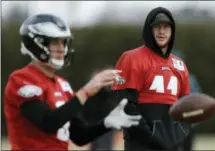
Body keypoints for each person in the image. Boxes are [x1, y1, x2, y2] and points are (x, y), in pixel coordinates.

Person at [4, 14, 142, 150]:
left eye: (63, 42)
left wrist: (106, 124)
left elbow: (79, 136)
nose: (61, 48)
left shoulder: (62, 84)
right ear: (37, 42)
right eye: (54, 42)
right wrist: (86, 92)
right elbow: (48, 123)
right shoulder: (21, 79)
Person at [112, 7, 192, 151]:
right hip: (141, 144)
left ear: (172, 30)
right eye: (157, 27)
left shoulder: (180, 65)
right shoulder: (131, 58)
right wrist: (150, 138)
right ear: (149, 30)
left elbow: (185, 107)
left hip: (170, 145)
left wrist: (178, 136)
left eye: (166, 27)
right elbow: (125, 106)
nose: (162, 32)